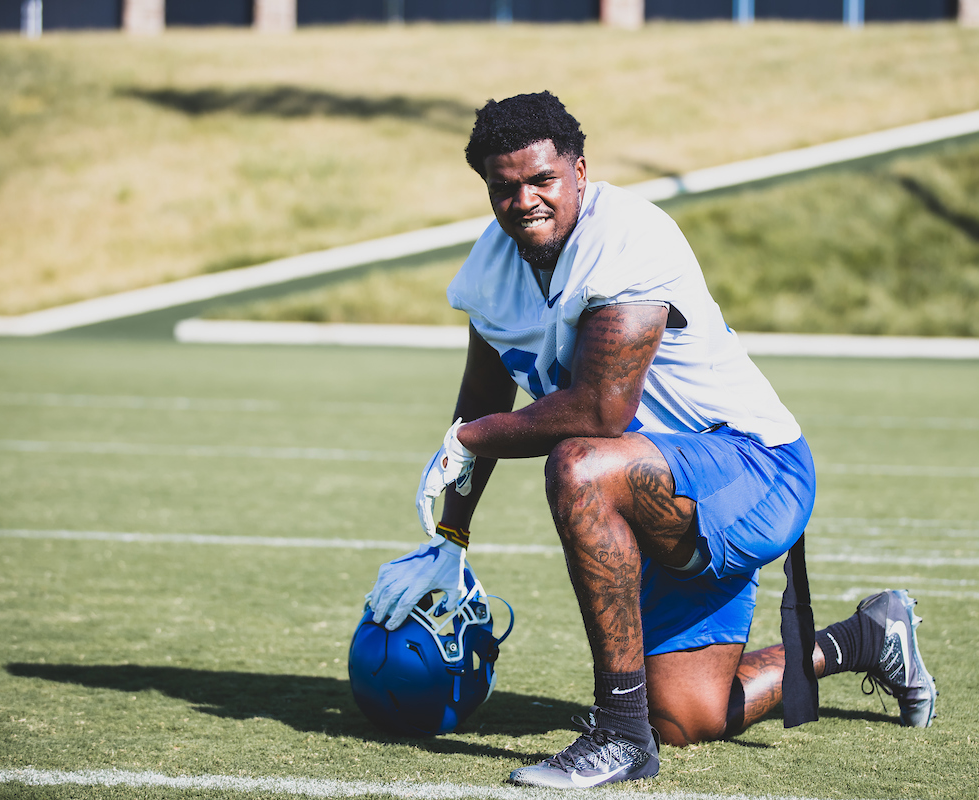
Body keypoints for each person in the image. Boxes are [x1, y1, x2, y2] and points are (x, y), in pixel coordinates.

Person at [368, 91, 936, 789]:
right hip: (652, 490)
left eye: (542, 180)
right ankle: (866, 638)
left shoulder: (628, 237)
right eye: (503, 187)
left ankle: (619, 735)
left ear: (580, 170)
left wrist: (471, 437)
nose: (523, 201)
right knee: (688, 716)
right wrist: (450, 540)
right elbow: (484, 402)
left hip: (752, 472)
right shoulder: (492, 268)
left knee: (579, 464)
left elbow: (601, 409)